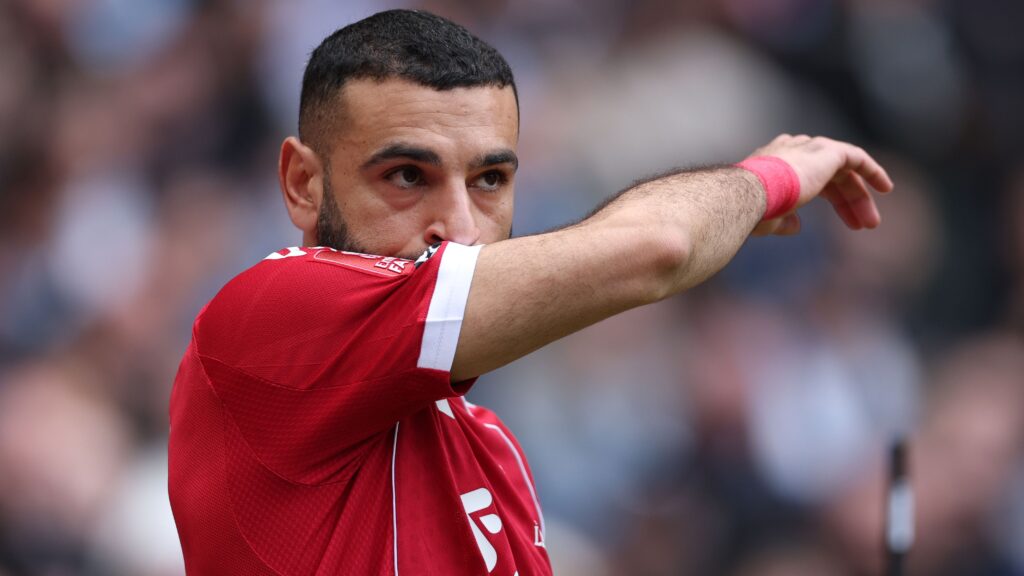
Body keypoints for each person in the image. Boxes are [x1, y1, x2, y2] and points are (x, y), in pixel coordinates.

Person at [167, 9, 892, 576]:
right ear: (304, 184)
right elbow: (657, 247)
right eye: (407, 176)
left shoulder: (489, 448)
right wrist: (766, 180)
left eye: (490, 181)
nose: (456, 223)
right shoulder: (272, 313)